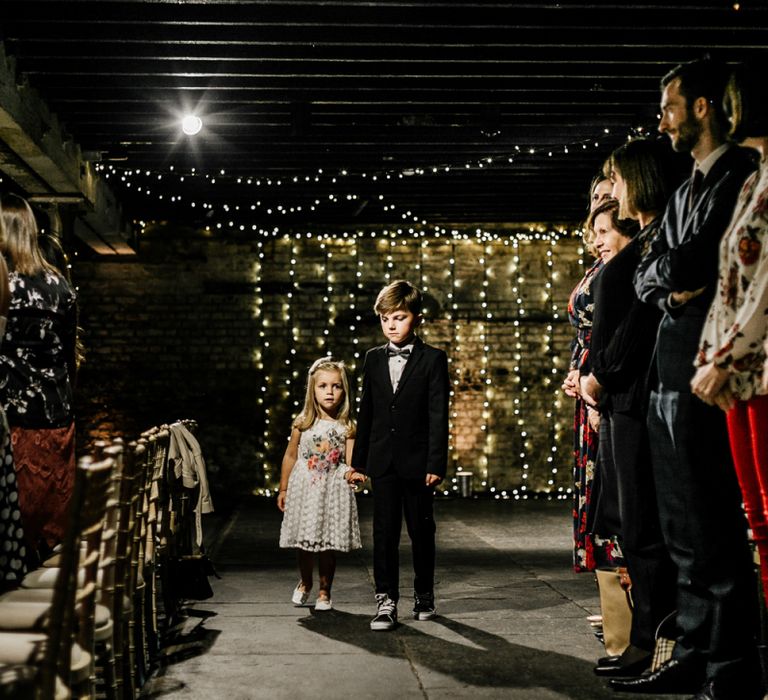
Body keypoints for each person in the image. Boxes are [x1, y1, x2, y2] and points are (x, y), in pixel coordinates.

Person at [613, 58, 763, 699]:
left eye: (670, 105)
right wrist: (669, 284)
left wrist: (669, 280)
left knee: (711, 523)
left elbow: (697, 260)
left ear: (702, 107)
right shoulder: (685, 187)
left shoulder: (738, 173)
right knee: (679, 527)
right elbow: (656, 270)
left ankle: (730, 667)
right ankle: (697, 651)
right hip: (669, 369)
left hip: (707, 371)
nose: (662, 118)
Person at [580, 141, 679, 678]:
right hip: (619, 398)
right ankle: (645, 639)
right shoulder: (642, 242)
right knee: (631, 525)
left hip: (634, 396)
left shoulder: (649, 245)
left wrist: (600, 373)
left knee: (644, 526)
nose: (610, 192)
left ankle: (655, 641)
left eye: (615, 180)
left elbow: (636, 327)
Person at [692, 59, 768, 617]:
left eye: (732, 98)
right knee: (758, 518)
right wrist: (710, 358)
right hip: (740, 371)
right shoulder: (753, 178)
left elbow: (766, 285)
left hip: (761, 366)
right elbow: (729, 282)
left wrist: (726, 355)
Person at [351, 280, 449, 631]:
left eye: (399, 317)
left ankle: (424, 595)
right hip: (383, 461)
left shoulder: (433, 359)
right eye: (385, 319)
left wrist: (436, 463)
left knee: (422, 531)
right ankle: (386, 600)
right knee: (384, 532)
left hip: (419, 462)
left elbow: (439, 415)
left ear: (416, 319)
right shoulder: (373, 359)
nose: (391, 325)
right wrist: (358, 463)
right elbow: (367, 413)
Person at [0, 193, 77, 562]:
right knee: (49, 527)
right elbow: (68, 355)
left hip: (12, 420)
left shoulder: (5, 285)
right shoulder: (59, 285)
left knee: (14, 525)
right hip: (56, 419)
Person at [277, 357, 363, 610]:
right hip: (305, 488)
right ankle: (305, 582)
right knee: (305, 542)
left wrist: (353, 475)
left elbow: (349, 463)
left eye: (336, 386)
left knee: (327, 545)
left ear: (344, 390)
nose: (329, 392)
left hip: (331, 489)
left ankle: (325, 591)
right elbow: (291, 456)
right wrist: (283, 488)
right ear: (312, 390)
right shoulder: (302, 423)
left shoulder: (347, 427)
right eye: (323, 386)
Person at [563, 173, 615, 572]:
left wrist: (591, 378)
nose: (599, 201)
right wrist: (572, 371)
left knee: (610, 486)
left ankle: (623, 592)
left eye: (606, 194)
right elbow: (583, 332)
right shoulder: (598, 264)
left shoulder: (616, 265)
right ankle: (613, 597)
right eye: (594, 195)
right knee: (595, 482)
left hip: (602, 380)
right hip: (585, 380)